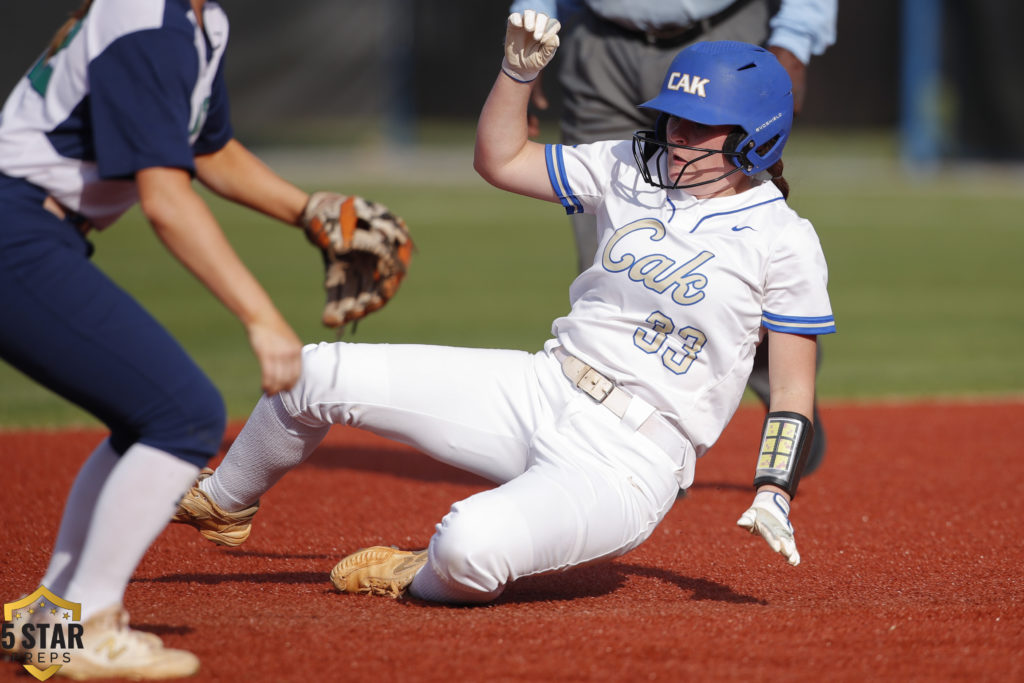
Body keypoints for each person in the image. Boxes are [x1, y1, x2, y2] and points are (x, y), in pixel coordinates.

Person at [172, 13, 835, 606]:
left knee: (466, 547)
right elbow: (500, 158)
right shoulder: (629, 164)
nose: (677, 135)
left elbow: (793, 392)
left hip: (630, 460)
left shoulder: (784, 240)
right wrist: (517, 74)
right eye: (672, 118)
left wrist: (774, 488)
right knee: (310, 375)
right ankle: (225, 500)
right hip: (543, 384)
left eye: (700, 126)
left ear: (756, 137)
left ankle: (414, 572)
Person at [0, 0, 344, 677]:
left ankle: (53, 621)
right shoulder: (144, 17)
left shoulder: (198, 21)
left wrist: (312, 212)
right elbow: (165, 195)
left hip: (38, 233)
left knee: (146, 414)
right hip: (17, 230)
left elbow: (207, 148)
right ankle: (90, 623)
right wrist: (261, 315)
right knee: (183, 414)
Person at [509, 0, 837, 475]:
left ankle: (786, 397)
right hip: (598, 46)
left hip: (723, 43)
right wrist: (530, 31)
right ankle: (622, 438)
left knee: (734, 265)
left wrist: (796, 37)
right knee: (610, 260)